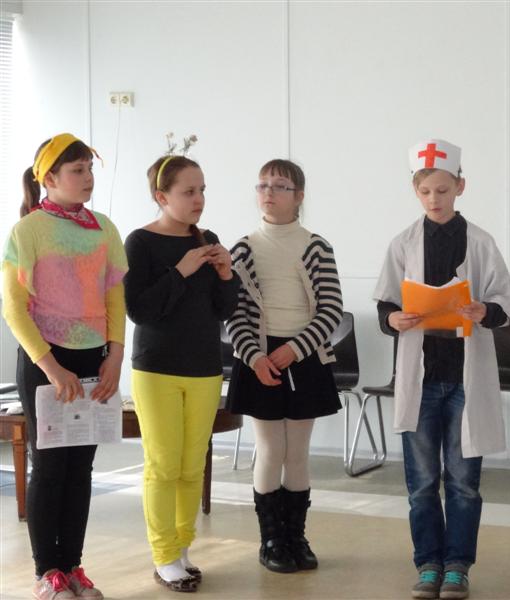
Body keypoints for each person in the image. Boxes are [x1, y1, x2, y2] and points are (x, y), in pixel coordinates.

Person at [374, 139, 510, 600]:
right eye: (425, 192)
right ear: (415, 192)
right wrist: (394, 319)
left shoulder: (481, 242)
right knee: (421, 484)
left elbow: (505, 302)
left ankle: (457, 566)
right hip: (422, 378)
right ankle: (428, 564)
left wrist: (484, 311)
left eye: (442, 190)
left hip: (464, 380)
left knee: (463, 482)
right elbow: (385, 306)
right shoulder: (402, 243)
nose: (434, 199)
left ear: (460, 187)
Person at [2, 133, 127, 600]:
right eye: (77, 171)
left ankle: (73, 567)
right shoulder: (28, 230)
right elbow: (14, 309)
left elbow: (115, 298)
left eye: (90, 170)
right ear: (49, 179)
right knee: (50, 467)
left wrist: (115, 357)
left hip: (94, 359)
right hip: (45, 361)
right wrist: (52, 368)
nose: (88, 178)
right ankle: (47, 573)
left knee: (81, 468)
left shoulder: (105, 229)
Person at [124, 154, 239, 592]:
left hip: (205, 368)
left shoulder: (209, 240)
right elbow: (140, 310)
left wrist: (226, 275)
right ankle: (164, 554)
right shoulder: (140, 242)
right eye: (188, 191)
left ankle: (182, 548)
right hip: (157, 368)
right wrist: (182, 271)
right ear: (161, 196)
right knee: (163, 465)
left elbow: (222, 311)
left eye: (202, 190)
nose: (199, 199)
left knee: (193, 465)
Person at [225, 159, 343, 574]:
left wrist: (296, 348)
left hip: (303, 355)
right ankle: (272, 540)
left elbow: (331, 309)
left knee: (297, 452)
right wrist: (255, 357)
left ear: (299, 196)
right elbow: (235, 315)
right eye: (262, 185)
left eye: (279, 186)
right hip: (259, 357)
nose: (268, 193)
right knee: (271, 448)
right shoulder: (242, 248)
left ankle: (297, 537)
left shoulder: (316, 246)